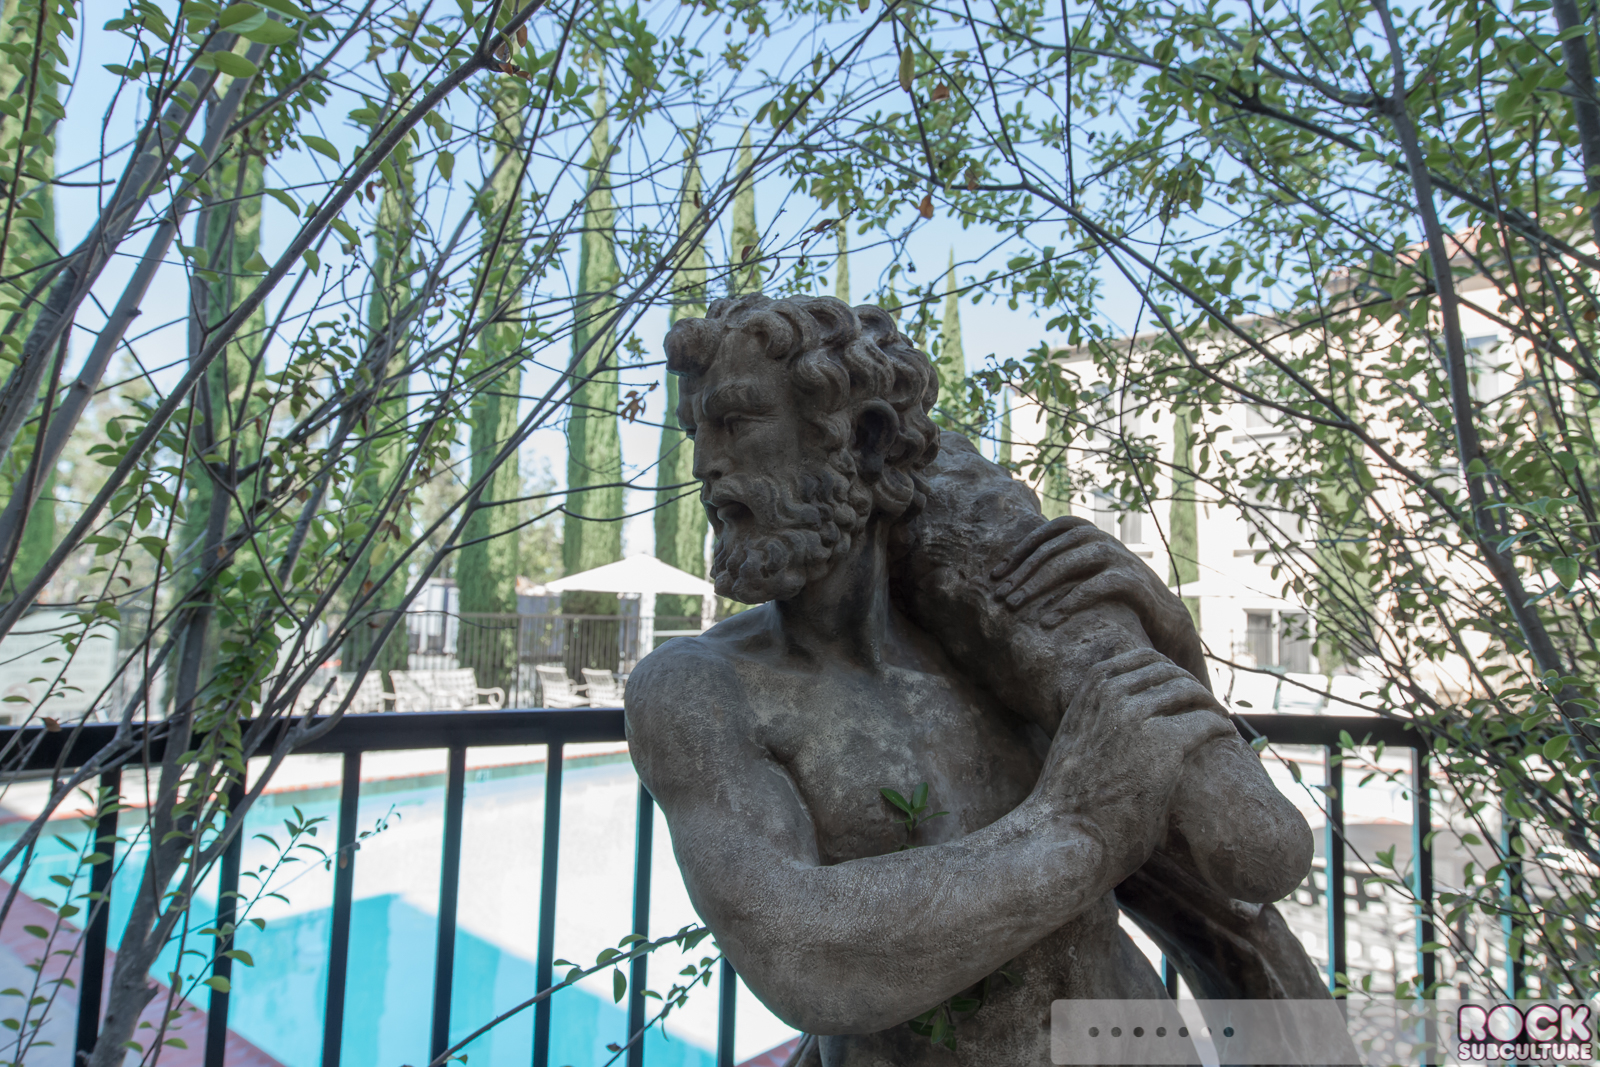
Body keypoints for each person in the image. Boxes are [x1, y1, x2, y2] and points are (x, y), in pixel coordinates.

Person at [626, 294, 1317, 1064]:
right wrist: (1078, 824)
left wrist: (1167, 646)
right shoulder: (698, 688)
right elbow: (804, 955)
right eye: (696, 431)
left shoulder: (1008, 639)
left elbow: (1235, 865)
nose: (704, 464)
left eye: (736, 421)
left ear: (866, 439)